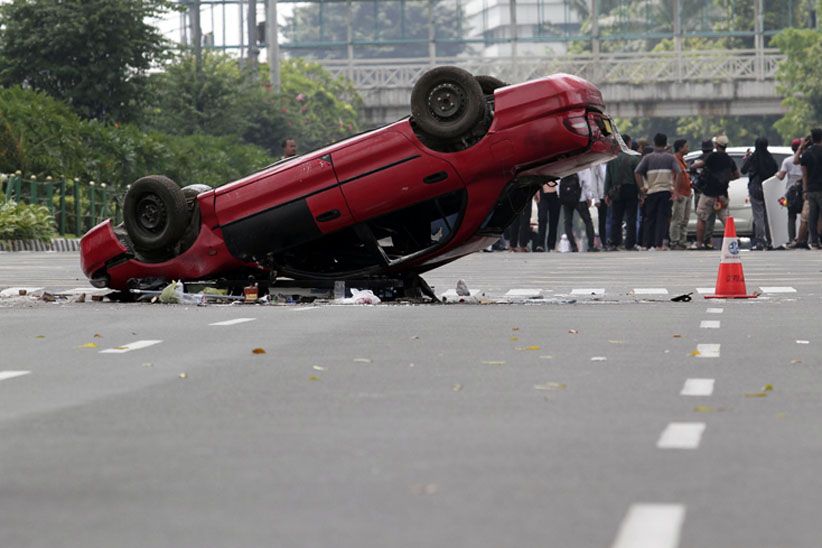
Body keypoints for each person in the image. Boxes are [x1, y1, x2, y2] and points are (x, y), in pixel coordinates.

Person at [690, 134, 740, 249]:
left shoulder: (712, 156)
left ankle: (699, 243)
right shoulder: (729, 159)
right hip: (722, 195)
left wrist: (692, 167)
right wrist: (727, 178)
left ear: (716, 145)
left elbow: (699, 165)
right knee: (726, 220)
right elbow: (736, 175)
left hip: (708, 193)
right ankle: (733, 240)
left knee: (701, 218)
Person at [634, 133, 679, 250]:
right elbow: (678, 172)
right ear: (665, 143)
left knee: (649, 218)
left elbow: (637, 172)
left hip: (651, 191)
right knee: (662, 218)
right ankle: (658, 243)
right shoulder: (670, 158)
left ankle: (647, 244)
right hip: (665, 191)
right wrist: (675, 189)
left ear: (654, 143)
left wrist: (642, 188)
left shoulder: (648, 158)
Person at [604, 134, 641, 250]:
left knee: (616, 218)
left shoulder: (612, 159)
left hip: (616, 191)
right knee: (631, 218)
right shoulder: (634, 158)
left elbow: (608, 178)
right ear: (628, 143)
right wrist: (641, 192)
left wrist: (606, 194)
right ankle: (630, 244)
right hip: (631, 190)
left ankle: (615, 242)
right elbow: (637, 178)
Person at [741, 137, 779, 250]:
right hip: (767, 188)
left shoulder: (753, 157)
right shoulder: (770, 158)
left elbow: (743, 170)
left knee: (758, 216)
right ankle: (770, 240)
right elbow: (775, 170)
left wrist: (747, 158)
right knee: (768, 216)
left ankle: (760, 241)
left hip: (755, 187)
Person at [558, 171, 597, 252]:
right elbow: (587, 183)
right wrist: (589, 197)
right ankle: (591, 245)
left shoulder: (563, 166)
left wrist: (561, 196)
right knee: (588, 221)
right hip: (580, 198)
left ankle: (573, 246)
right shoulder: (582, 166)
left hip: (566, 198)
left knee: (568, 222)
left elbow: (558, 182)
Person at [690, 140, 717, 247]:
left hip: (699, 192)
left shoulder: (696, 160)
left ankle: (699, 242)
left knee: (701, 218)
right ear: (712, 148)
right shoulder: (714, 159)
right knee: (711, 217)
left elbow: (691, 175)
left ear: (702, 149)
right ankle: (708, 240)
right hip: (712, 192)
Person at [777, 138, 804, 245]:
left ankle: (791, 239)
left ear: (792, 148)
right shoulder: (805, 159)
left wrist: (776, 174)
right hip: (804, 190)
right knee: (805, 216)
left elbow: (781, 176)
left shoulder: (787, 161)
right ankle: (804, 238)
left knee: (791, 216)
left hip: (790, 193)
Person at [799, 127, 822, 249]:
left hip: (811, 189)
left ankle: (814, 240)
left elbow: (804, 175)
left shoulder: (806, 154)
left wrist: (805, 190)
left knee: (812, 216)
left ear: (812, 139)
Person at [669, 139, 692, 250]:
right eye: (686, 146)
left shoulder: (682, 161)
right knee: (677, 219)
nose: (688, 148)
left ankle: (682, 241)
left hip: (687, 193)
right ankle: (675, 241)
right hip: (680, 193)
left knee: (684, 220)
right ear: (680, 148)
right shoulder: (675, 160)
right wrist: (675, 192)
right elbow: (674, 177)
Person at [580, 164, 607, 249]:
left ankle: (612, 241)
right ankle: (604, 242)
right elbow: (593, 182)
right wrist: (596, 198)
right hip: (601, 196)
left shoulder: (611, 163)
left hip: (612, 195)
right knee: (602, 221)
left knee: (612, 220)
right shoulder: (597, 165)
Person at [536, 177, 561, 251]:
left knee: (554, 221)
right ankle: (540, 244)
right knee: (542, 218)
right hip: (543, 193)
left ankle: (551, 245)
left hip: (556, 194)